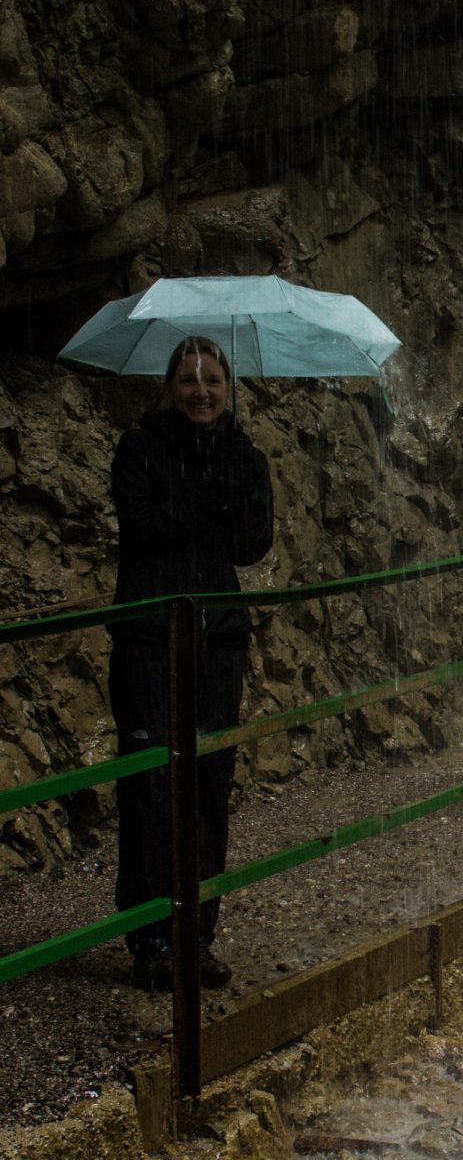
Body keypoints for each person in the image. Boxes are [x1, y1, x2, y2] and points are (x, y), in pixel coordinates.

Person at [109, 337, 274, 991]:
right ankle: (151, 937)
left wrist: (239, 485)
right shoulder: (139, 449)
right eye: (187, 379)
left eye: (211, 379)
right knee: (151, 785)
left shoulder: (243, 456)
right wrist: (205, 495)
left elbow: (252, 546)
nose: (200, 390)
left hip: (216, 639)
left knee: (208, 784)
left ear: (227, 386)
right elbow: (141, 525)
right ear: (168, 386)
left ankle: (196, 936)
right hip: (150, 638)